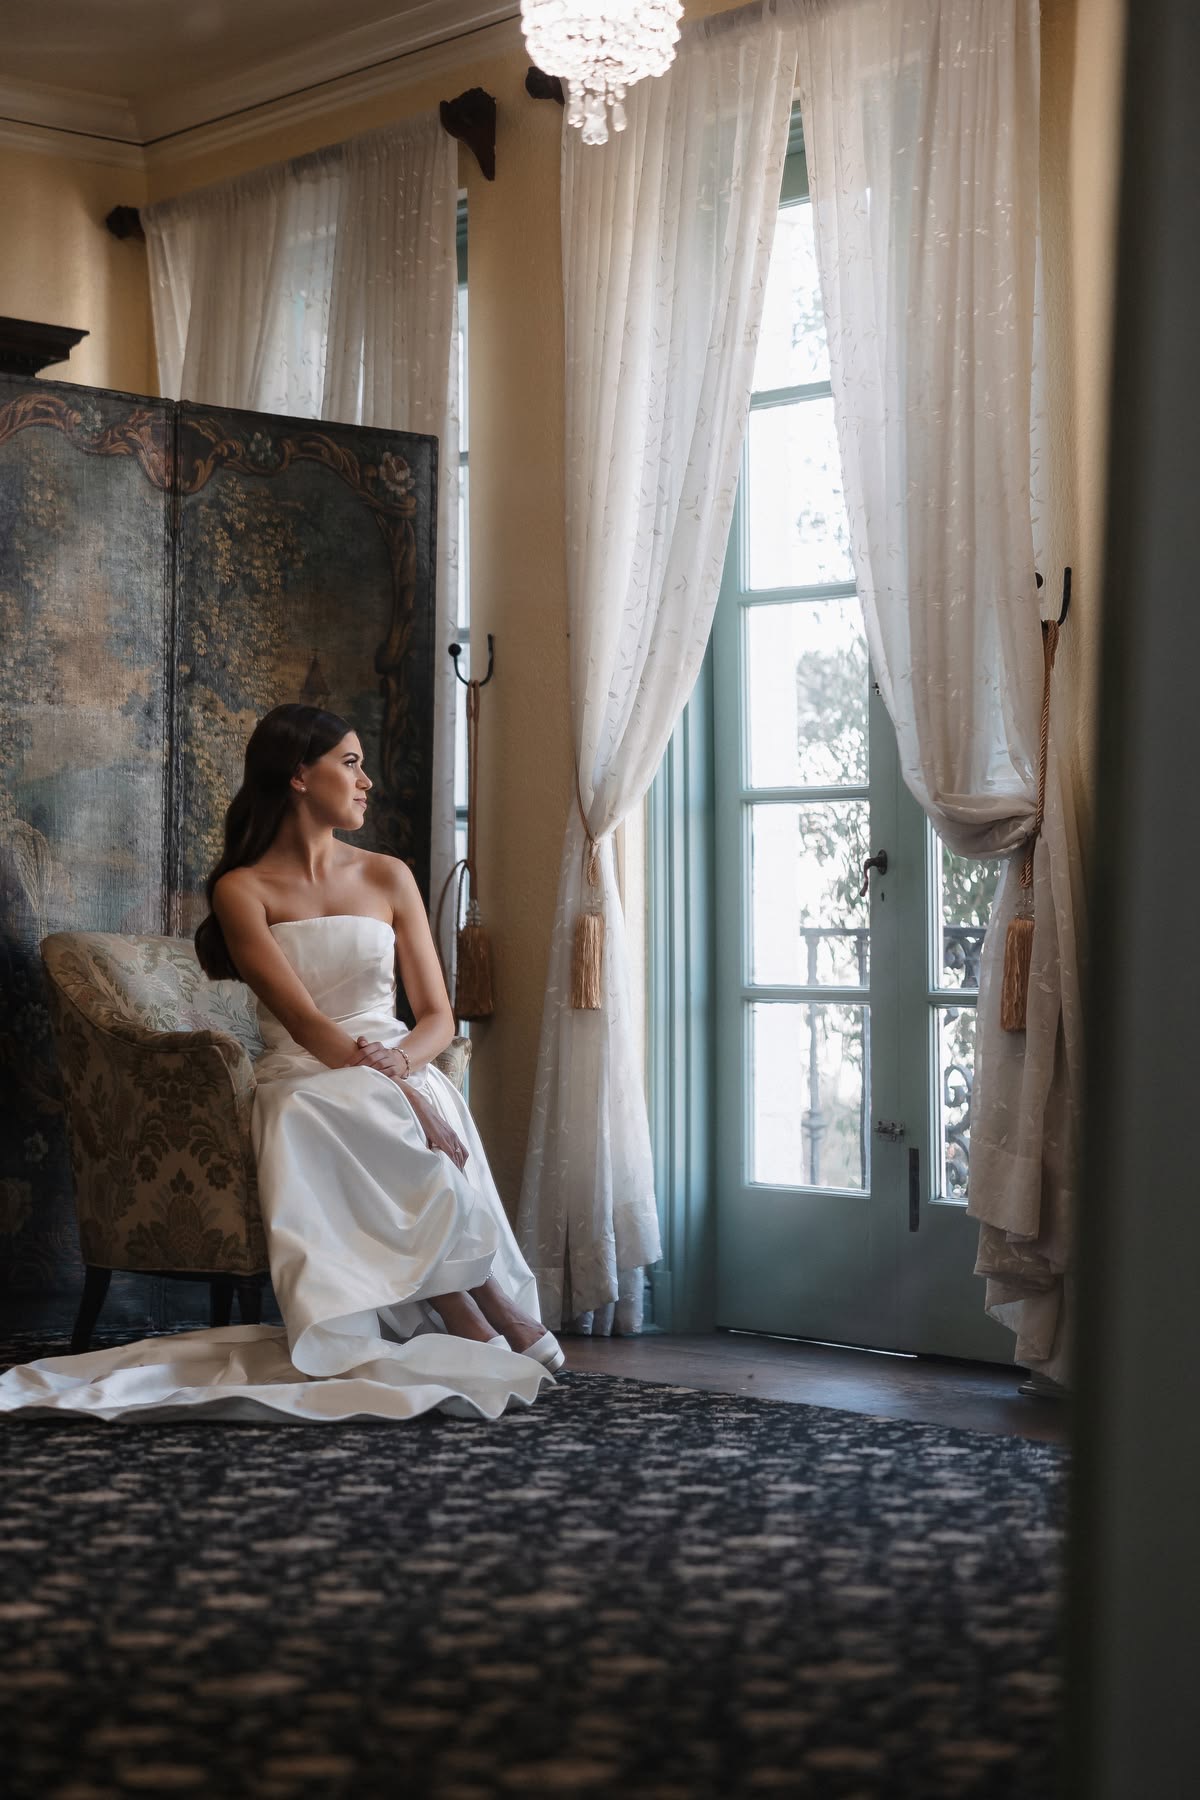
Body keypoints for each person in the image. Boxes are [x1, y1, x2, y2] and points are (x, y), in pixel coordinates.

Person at [0, 705, 561, 1425]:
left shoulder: (389, 876)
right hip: (305, 1071)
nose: (368, 783)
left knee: (376, 1105)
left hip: (398, 1060)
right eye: (350, 763)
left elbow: (438, 1019)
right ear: (299, 774)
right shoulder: (242, 889)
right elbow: (304, 1025)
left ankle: (468, 1306)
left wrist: (412, 1071)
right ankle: (479, 1307)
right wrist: (413, 1098)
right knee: (330, 1108)